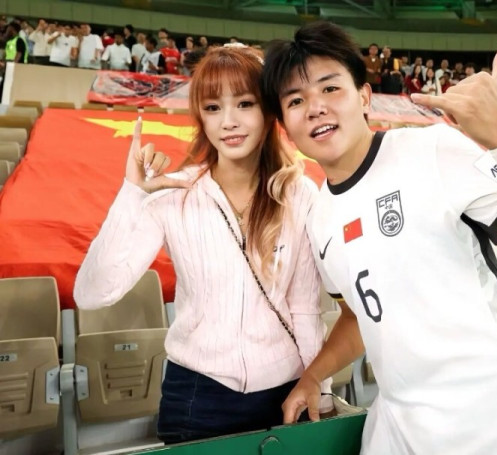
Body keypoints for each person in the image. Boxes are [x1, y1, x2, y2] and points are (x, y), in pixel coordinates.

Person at [261, 21, 497, 455]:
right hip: (404, 429)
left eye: (330, 88)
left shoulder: (433, 151)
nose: (316, 107)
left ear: (364, 97)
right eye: (296, 100)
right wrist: (314, 375)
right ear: (285, 126)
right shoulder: (319, 218)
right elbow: (360, 317)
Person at [74, 46, 331, 444]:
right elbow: (92, 294)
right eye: (213, 108)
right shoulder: (173, 194)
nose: (229, 122)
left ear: (268, 110)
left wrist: (321, 390)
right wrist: (132, 193)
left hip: (286, 390)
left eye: (244, 103)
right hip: (197, 396)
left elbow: (305, 309)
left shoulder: (299, 194)